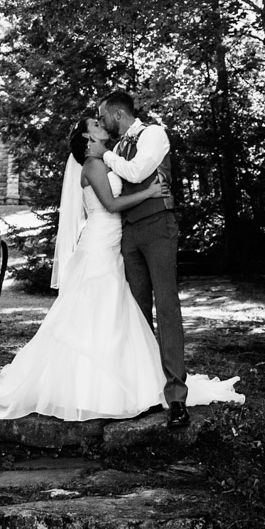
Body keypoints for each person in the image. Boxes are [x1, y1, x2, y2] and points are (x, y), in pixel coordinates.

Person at [0, 112, 242, 422]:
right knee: (98, 307)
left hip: (115, 241)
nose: (101, 125)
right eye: (95, 125)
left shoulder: (108, 159)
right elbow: (110, 204)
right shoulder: (93, 165)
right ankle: (89, 387)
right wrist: (150, 193)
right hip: (99, 242)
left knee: (115, 311)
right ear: (87, 137)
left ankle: (130, 381)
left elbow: (130, 176)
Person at [93, 89, 189, 425]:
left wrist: (105, 155)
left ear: (117, 114)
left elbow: (135, 173)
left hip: (158, 226)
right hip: (128, 233)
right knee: (136, 313)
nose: (102, 122)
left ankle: (176, 398)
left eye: (103, 116)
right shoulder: (117, 147)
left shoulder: (154, 134)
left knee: (166, 307)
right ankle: (144, 391)